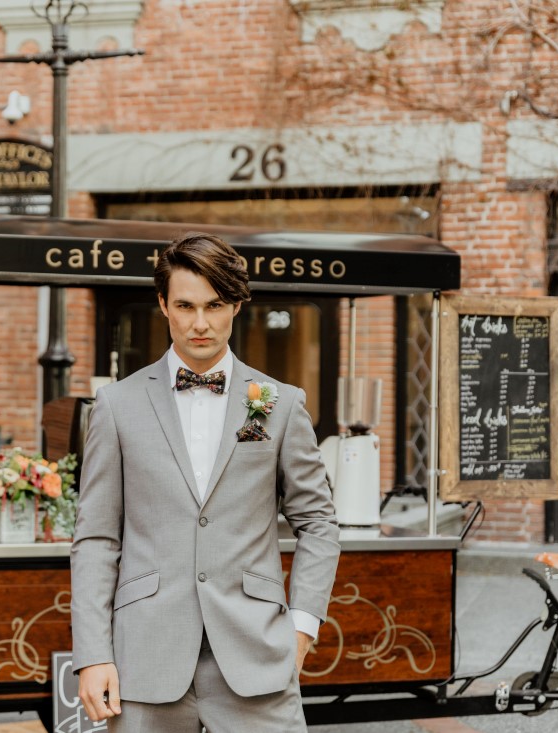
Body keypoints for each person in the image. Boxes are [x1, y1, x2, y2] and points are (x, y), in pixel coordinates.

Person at [70, 232, 341, 731]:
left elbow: (319, 524)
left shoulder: (279, 403)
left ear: (236, 305)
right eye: (185, 306)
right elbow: (96, 539)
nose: (200, 323)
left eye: (214, 305)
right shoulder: (117, 406)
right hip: (145, 658)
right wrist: (91, 654)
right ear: (162, 305)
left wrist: (301, 627)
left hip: (257, 655)